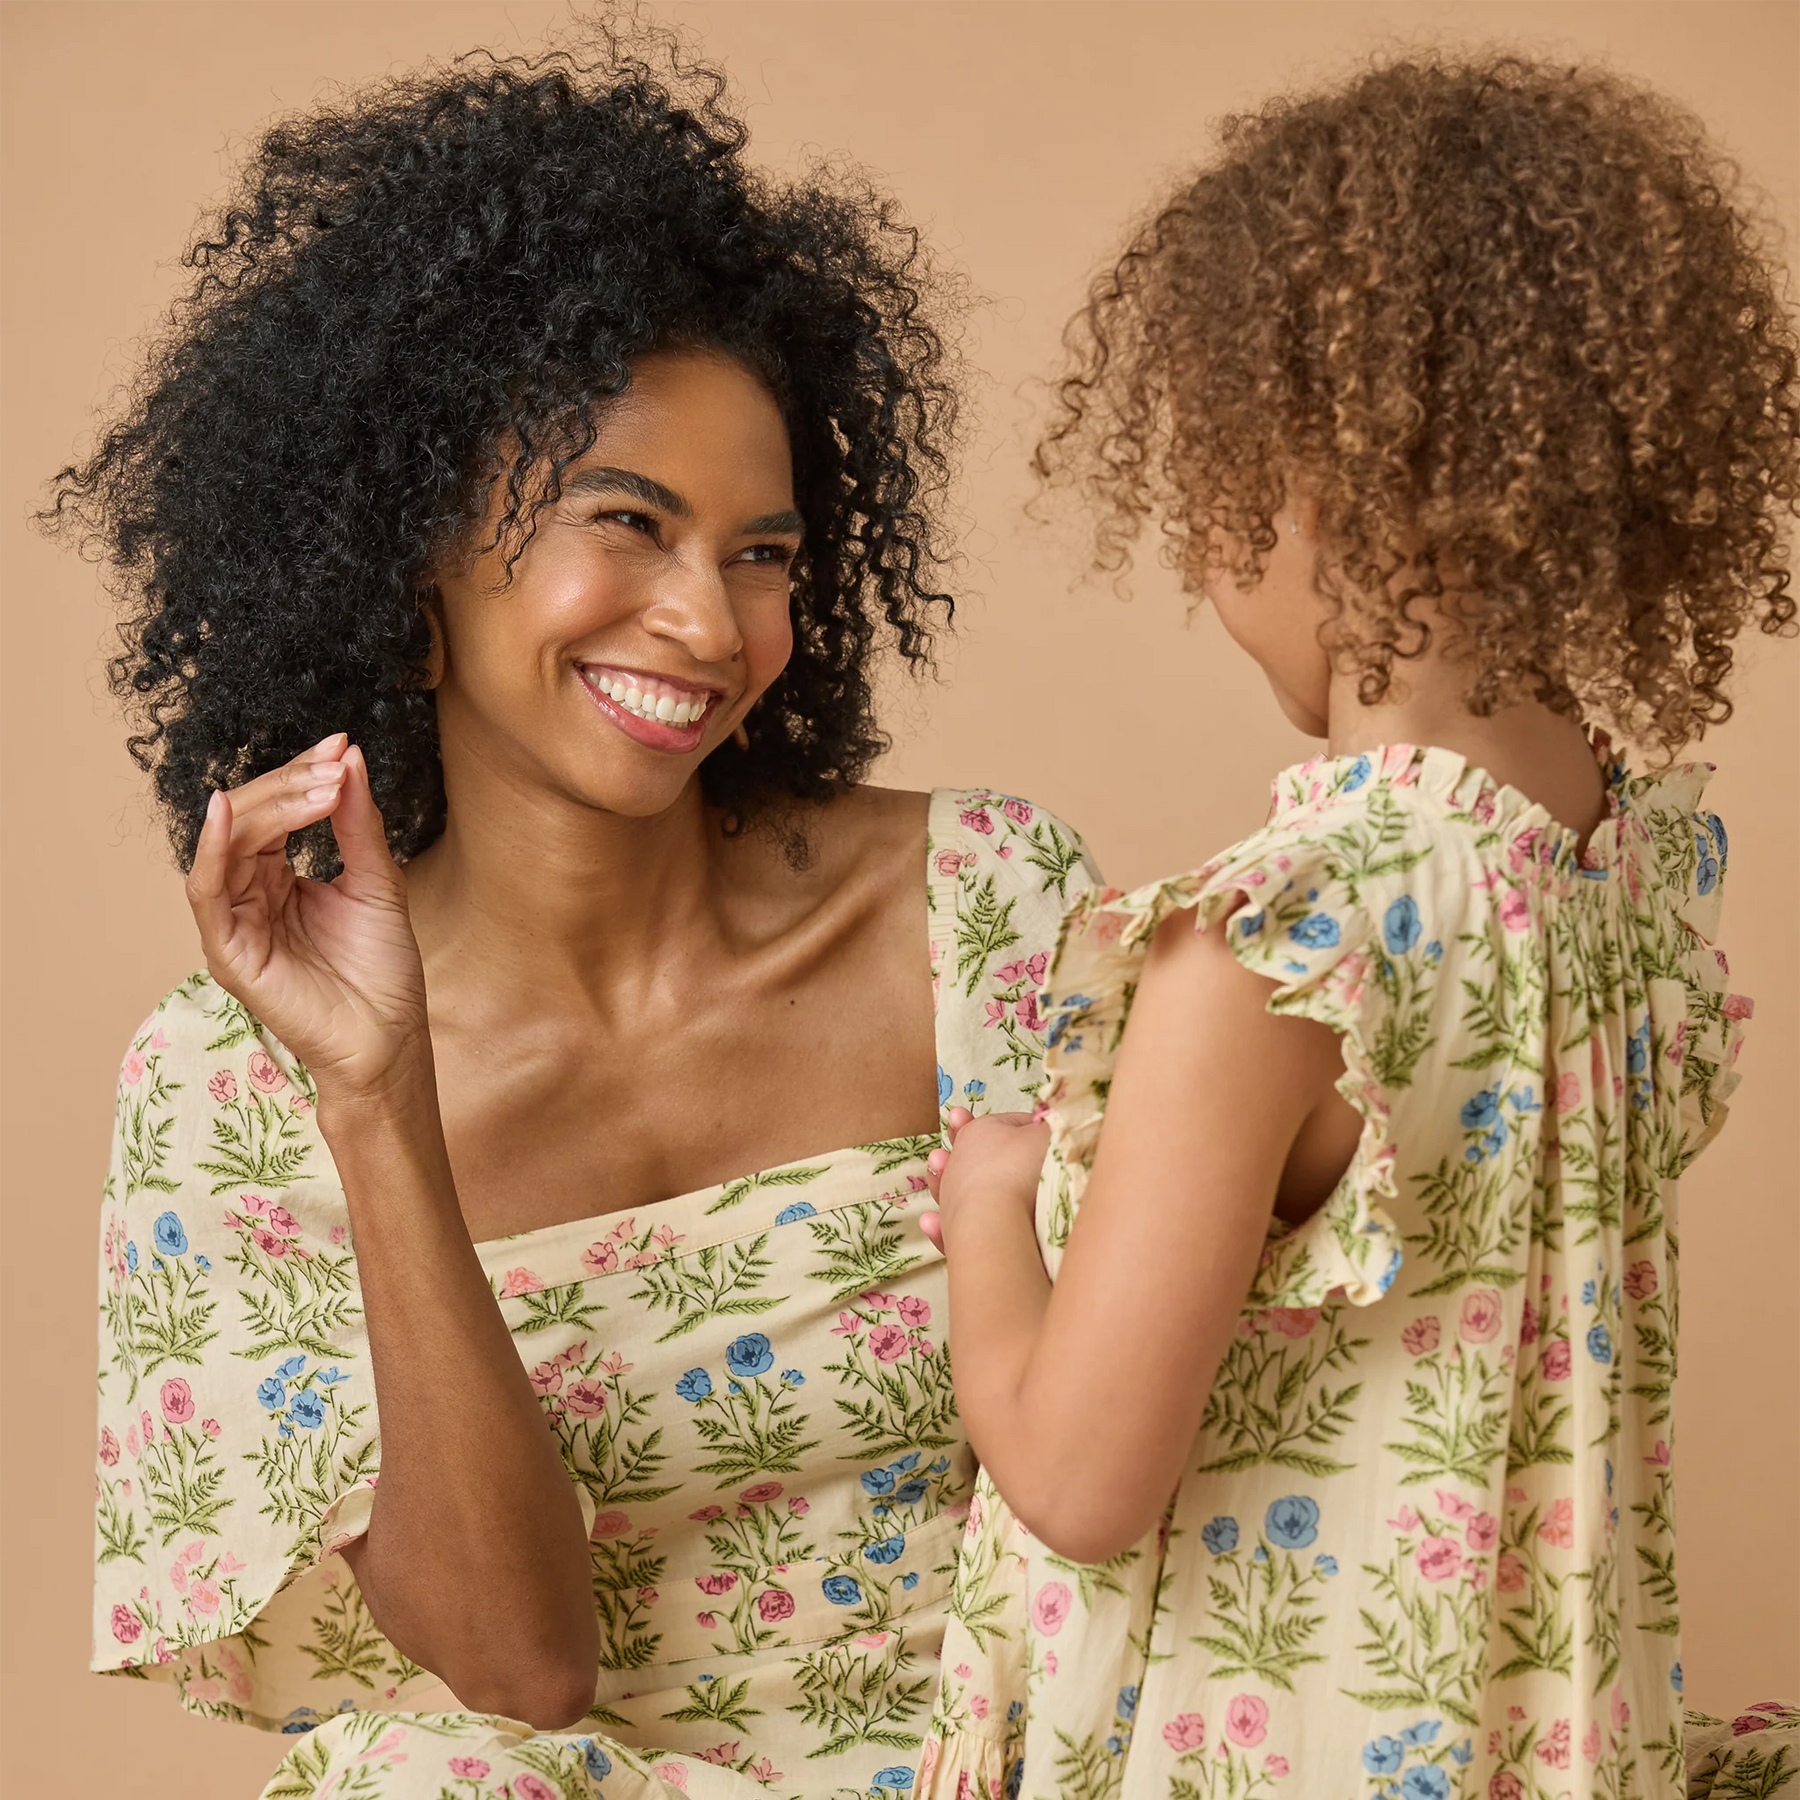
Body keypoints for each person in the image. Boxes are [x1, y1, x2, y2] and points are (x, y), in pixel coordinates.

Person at [58, 29, 1097, 1799]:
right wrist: (378, 1101)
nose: (708, 624)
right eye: (628, 522)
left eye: (761, 553)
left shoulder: (985, 910)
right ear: (413, 552)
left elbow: (1186, 1448)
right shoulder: (231, 1090)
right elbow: (518, 1674)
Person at [912, 53, 1796, 1800]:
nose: (1204, 560)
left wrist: (989, 1214)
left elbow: (1080, 1482)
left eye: (1210, 486)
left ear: (1317, 479)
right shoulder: (1626, 907)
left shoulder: (1279, 943)